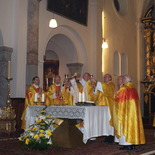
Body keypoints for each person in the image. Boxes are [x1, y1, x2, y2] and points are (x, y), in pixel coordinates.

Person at [114, 75, 145, 150]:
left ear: (125, 80)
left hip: (126, 113)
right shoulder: (133, 88)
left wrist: (115, 92)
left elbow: (117, 98)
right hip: (134, 113)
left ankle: (127, 144)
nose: (122, 80)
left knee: (125, 126)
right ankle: (132, 143)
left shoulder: (124, 88)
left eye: (123, 79)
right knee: (133, 126)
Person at [91, 73, 115, 143]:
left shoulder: (111, 85)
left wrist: (96, 82)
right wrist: (95, 88)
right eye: (104, 77)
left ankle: (110, 137)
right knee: (105, 122)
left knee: (108, 121)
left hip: (108, 106)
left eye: (106, 77)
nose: (105, 78)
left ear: (110, 78)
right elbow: (97, 94)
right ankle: (106, 137)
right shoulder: (103, 85)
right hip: (102, 106)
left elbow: (106, 90)